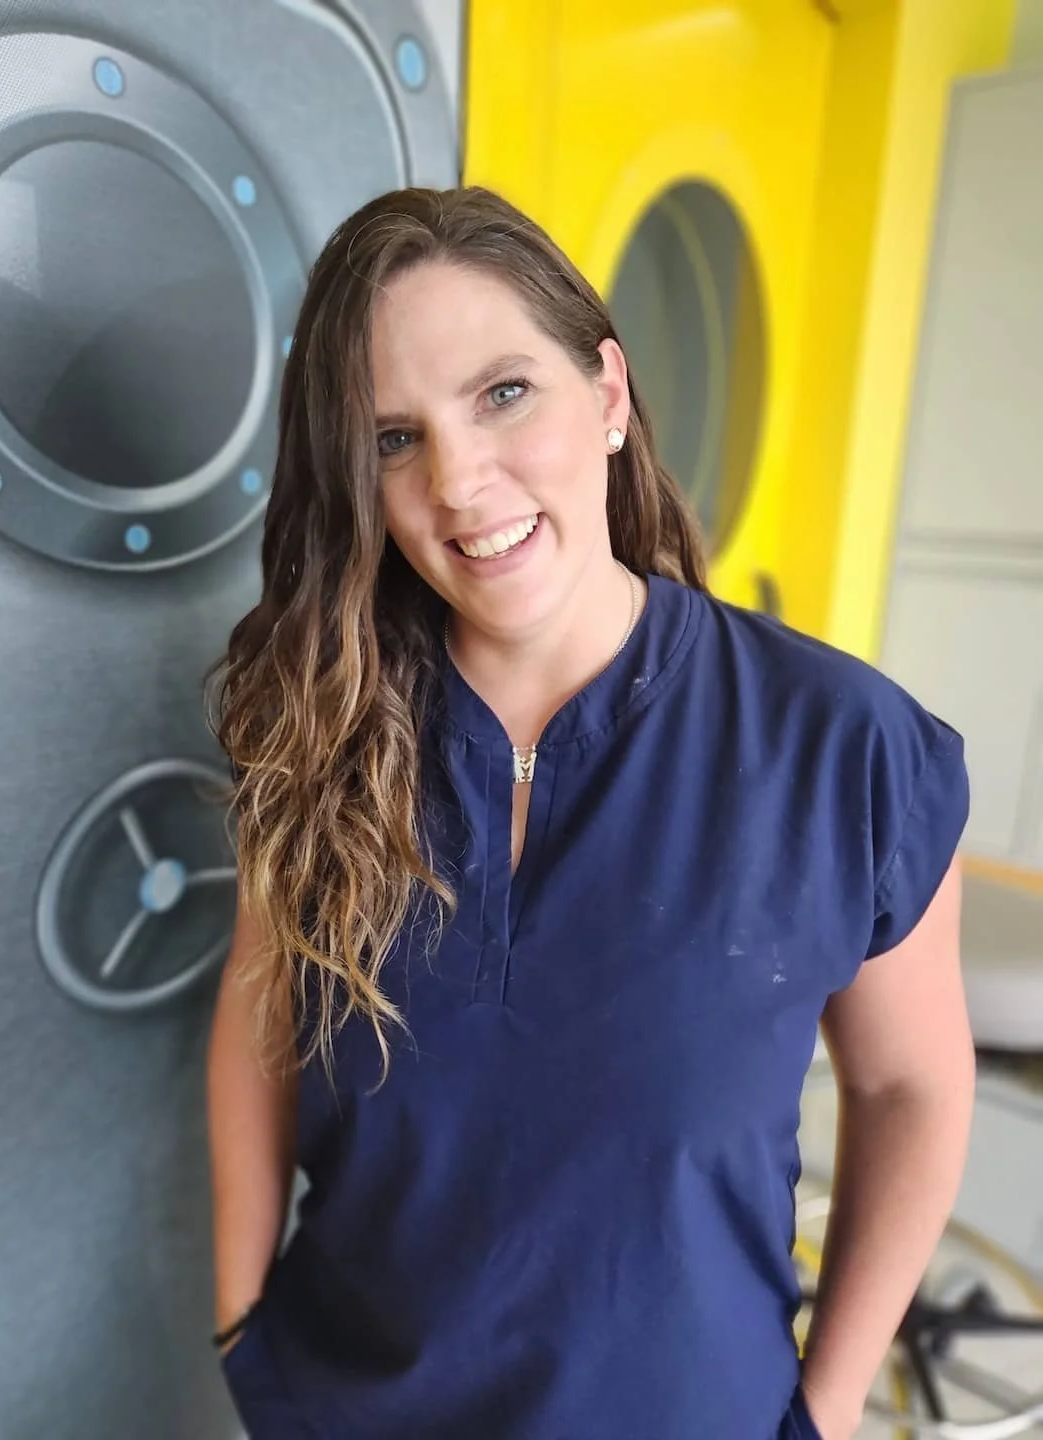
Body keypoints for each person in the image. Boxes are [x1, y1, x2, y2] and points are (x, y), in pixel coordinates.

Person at [205, 184, 975, 1440]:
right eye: (395, 437)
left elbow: (910, 1090)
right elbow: (257, 1016)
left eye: (504, 393)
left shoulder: (845, 752)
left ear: (608, 397)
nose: (458, 482)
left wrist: (825, 1411)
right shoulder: (318, 724)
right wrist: (245, 1322)